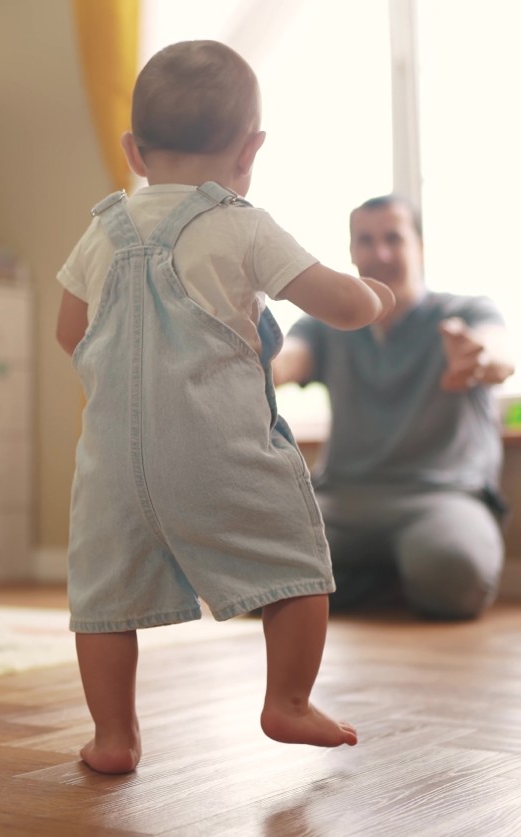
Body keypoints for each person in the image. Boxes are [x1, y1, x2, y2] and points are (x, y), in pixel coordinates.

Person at [55, 40, 395, 774]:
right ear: (251, 148)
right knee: (299, 562)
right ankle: (289, 701)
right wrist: (373, 294)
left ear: (133, 151)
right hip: (217, 451)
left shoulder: (100, 231)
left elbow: (68, 332)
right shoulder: (241, 223)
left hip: (111, 464)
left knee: (105, 600)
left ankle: (113, 736)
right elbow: (338, 305)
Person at [272, 194, 515, 621]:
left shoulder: (466, 311)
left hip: (440, 496)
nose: (379, 253)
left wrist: (476, 359)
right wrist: (252, 360)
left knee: (455, 577)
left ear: (419, 247)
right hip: (342, 500)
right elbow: (287, 361)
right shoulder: (325, 326)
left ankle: (369, 580)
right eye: (365, 241)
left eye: (393, 239)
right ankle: (389, 580)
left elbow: (498, 357)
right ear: (351, 252)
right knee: (263, 573)